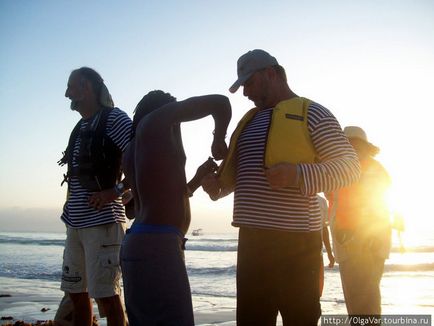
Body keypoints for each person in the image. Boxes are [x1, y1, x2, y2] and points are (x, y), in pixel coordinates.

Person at [201, 49, 360, 325]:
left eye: (248, 83)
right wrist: (216, 187)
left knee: (300, 319)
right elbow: (239, 181)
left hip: (296, 245)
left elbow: (350, 168)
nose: (245, 93)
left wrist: (298, 174)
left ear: (271, 74)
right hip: (252, 243)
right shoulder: (248, 122)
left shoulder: (313, 113)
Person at [120, 90, 231, 326]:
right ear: (164, 109)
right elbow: (220, 103)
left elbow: (136, 209)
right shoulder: (156, 122)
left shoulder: (131, 150)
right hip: (158, 248)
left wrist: (197, 180)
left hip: (138, 244)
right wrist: (219, 138)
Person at [58, 67, 132, 326]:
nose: (67, 93)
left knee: (108, 298)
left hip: (103, 225)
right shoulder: (80, 127)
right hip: (75, 225)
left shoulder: (114, 119)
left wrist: (117, 191)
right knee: (77, 294)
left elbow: (143, 161)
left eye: (71, 87)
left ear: (87, 87)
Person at [328, 126, 392, 318]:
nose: (350, 148)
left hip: (361, 242)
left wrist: (370, 237)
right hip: (355, 242)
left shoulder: (366, 168)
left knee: (363, 302)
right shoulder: (352, 167)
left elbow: (374, 204)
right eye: (347, 144)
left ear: (363, 147)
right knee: (363, 302)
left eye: (354, 144)